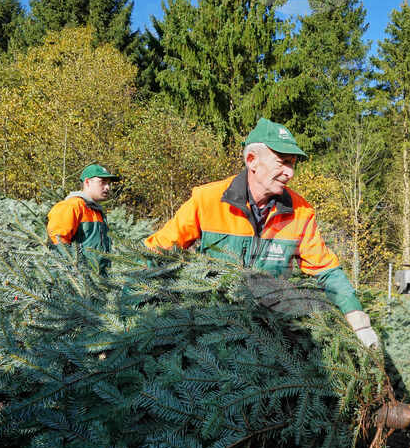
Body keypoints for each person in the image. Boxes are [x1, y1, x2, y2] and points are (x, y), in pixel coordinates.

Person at [143, 118, 380, 348]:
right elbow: (157, 251)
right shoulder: (207, 200)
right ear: (251, 160)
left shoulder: (301, 211)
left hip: (272, 335)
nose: (290, 173)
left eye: (293, 163)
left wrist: (357, 316)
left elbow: (327, 270)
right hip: (211, 333)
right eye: (282, 161)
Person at [47, 163, 120, 273]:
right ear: (87, 182)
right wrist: (74, 274)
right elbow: (57, 242)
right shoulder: (71, 206)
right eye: (102, 182)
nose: (107, 187)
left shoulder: (96, 211)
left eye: (109, 183)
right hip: (77, 282)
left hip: (98, 281)